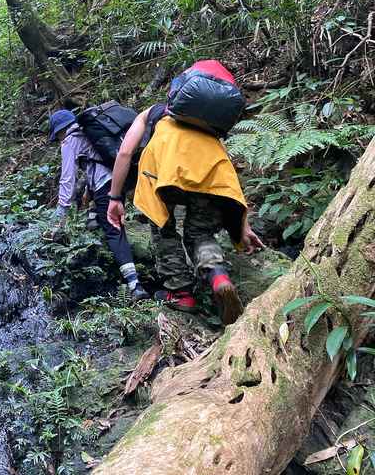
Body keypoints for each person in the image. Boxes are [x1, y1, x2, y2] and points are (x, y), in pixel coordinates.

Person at [106, 91, 265, 325]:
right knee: (200, 233)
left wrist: (114, 197)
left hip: (167, 174)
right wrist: (244, 224)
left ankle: (182, 294)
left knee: (164, 230)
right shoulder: (209, 124)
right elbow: (227, 175)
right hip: (211, 174)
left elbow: (125, 152)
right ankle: (218, 277)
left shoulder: (152, 113)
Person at [48, 109, 150, 300]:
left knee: (113, 229)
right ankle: (94, 225)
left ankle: (135, 285)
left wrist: (60, 215)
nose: (59, 140)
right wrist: (89, 192)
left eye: (58, 136)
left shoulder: (69, 140)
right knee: (102, 219)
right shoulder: (88, 132)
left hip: (106, 184)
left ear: (60, 131)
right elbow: (96, 160)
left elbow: (67, 179)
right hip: (123, 176)